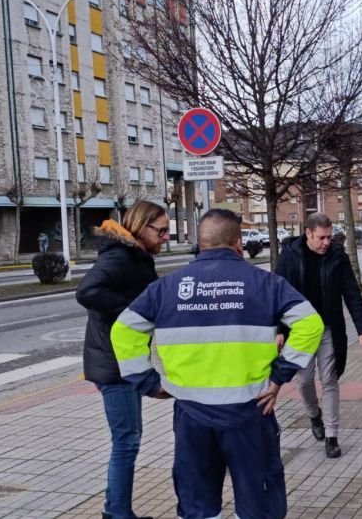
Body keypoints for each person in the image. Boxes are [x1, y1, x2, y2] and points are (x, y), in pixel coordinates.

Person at [111, 209, 323, 519]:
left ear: (201, 242)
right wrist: (280, 376)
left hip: (191, 415)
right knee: (258, 502)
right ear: (238, 243)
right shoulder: (265, 283)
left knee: (197, 504)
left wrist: (149, 383)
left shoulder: (168, 287)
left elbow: (124, 329)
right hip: (250, 411)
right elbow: (310, 324)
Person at [75, 200, 171, 519]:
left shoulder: (135, 257)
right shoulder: (121, 257)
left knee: (128, 440)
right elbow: (87, 292)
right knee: (126, 442)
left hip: (121, 360)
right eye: (161, 231)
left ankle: (116, 510)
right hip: (113, 365)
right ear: (141, 227)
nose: (166, 237)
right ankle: (116, 514)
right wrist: (133, 310)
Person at [275, 212, 362, 459]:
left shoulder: (337, 256)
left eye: (329, 237)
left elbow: (352, 293)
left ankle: (332, 436)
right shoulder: (289, 255)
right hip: (299, 332)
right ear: (308, 233)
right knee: (304, 380)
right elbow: (277, 294)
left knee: (330, 379)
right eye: (321, 237)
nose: (326, 243)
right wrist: (278, 331)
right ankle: (314, 415)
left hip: (329, 328)